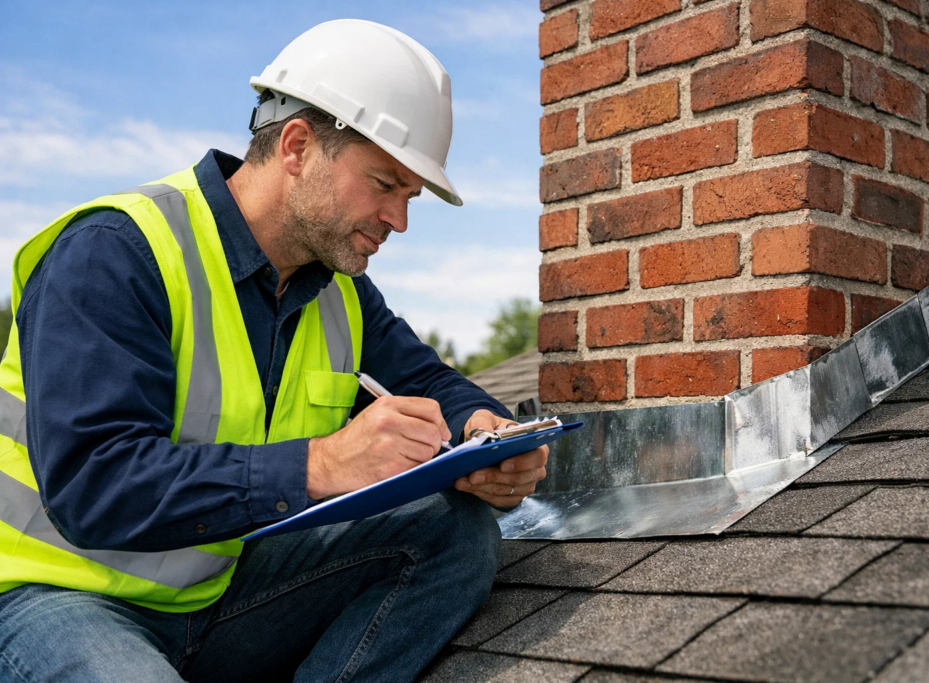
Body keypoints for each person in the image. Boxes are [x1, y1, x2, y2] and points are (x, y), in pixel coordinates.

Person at [0, 19, 547, 682]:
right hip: (52, 597)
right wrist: (319, 463)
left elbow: (432, 380)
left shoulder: (340, 293)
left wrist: (483, 434)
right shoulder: (116, 254)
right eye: (383, 184)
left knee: (454, 531)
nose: (399, 220)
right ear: (296, 146)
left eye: (409, 196)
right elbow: (94, 483)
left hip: (214, 595)